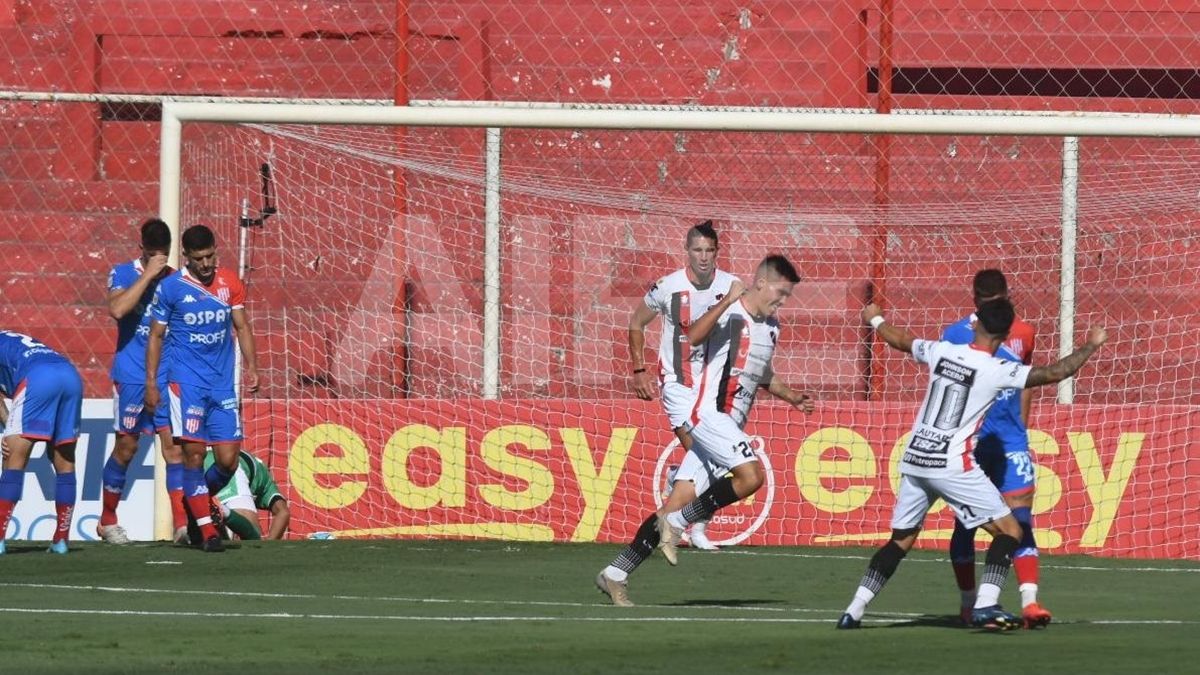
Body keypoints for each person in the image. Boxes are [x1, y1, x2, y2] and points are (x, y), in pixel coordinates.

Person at [837, 299, 1105, 630]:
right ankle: (986, 605)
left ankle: (854, 609)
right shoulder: (997, 369)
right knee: (1010, 530)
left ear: (974, 323)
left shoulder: (943, 350)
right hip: (952, 464)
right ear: (1007, 335)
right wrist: (1091, 345)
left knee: (901, 540)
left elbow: (901, 340)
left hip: (916, 459)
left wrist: (875, 319)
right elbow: (1056, 372)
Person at [597, 255, 814, 606]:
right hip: (710, 416)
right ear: (760, 283)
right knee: (751, 477)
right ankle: (681, 523)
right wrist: (727, 299)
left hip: (725, 429)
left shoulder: (772, 326)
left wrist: (792, 398)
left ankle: (615, 573)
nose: (783, 301)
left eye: (788, 296)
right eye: (781, 292)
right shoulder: (730, 311)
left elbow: (761, 373)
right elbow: (692, 337)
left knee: (671, 507)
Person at [942, 270, 1050, 628]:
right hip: (971, 441)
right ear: (974, 299)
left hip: (1009, 439)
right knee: (968, 522)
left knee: (1020, 517)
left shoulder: (1024, 331)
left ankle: (1030, 603)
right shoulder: (956, 334)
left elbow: (1027, 382)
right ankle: (969, 602)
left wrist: (1021, 427)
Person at [145, 224, 259, 553]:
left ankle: (198, 509)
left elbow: (242, 325)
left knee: (227, 461)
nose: (207, 264)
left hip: (221, 385)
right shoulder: (171, 288)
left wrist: (252, 366)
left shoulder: (229, 283)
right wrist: (152, 383)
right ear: (187, 257)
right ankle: (208, 532)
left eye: (210, 256)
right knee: (193, 456)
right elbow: (155, 336)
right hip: (186, 384)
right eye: (199, 259)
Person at [627, 220, 735, 551]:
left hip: (712, 388)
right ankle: (694, 527)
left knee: (709, 461)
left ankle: (681, 488)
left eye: (709, 250)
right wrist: (639, 369)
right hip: (677, 385)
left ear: (717, 252)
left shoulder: (732, 286)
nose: (703, 257)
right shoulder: (667, 287)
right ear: (687, 252)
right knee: (706, 456)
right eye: (697, 250)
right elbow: (636, 322)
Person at [98, 218, 190, 545]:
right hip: (132, 375)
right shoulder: (123, 272)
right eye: (153, 254)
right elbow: (118, 310)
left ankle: (182, 525)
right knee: (127, 447)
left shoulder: (178, 280)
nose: (159, 260)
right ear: (142, 250)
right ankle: (107, 521)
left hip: (168, 376)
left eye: (163, 255)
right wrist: (149, 273)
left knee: (174, 449)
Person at [0, 331, 83, 555]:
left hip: (38, 379)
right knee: (65, 463)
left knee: (12, 459)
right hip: (70, 376)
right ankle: (61, 540)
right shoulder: (10, 338)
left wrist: (8, 430)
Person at [203, 448, 289, 540]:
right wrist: (267, 547)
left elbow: (284, 513)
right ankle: (223, 511)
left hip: (198, 461)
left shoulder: (264, 482)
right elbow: (283, 512)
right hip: (230, 467)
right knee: (252, 538)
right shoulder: (265, 484)